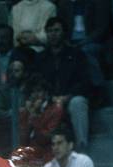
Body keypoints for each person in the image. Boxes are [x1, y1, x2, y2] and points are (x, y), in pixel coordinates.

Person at [37, 17, 91, 150]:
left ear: (64, 32)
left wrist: (67, 97)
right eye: (49, 31)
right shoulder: (40, 58)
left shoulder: (77, 54)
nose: (53, 34)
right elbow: (37, 83)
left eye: (56, 30)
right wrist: (50, 98)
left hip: (70, 98)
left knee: (78, 103)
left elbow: (85, 82)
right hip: (48, 100)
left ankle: (82, 149)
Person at [18, 76, 64, 152]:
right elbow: (21, 140)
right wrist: (29, 115)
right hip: (26, 153)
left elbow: (46, 139)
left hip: (45, 154)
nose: (35, 95)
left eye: (38, 91)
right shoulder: (26, 110)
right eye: (32, 92)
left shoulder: (55, 110)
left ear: (46, 93)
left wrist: (35, 117)